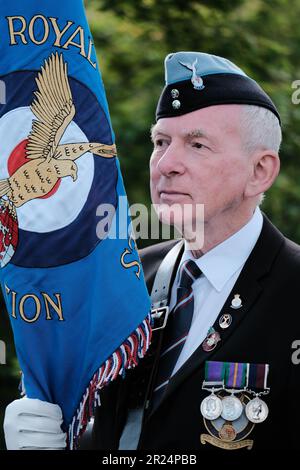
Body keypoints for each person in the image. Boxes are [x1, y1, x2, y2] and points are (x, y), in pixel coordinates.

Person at [4, 51, 300, 451]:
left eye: (197, 144)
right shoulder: (125, 275)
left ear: (260, 171)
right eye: (160, 142)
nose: (167, 164)